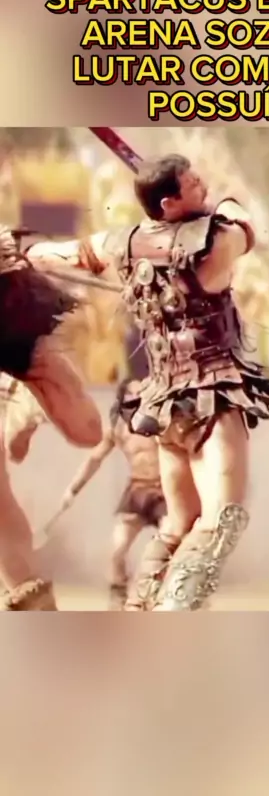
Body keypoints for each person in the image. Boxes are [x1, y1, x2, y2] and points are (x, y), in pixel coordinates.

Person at [26, 154, 269, 611]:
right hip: (211, 398)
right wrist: (224, 204)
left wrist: (26, 250)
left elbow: (56, 255)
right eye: (193, 184)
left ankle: (138, 608)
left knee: (179, 523)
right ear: (169, 202)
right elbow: (244, 227)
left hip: (164, 407)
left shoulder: (120, 244)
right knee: (220, 522)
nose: (203, 185)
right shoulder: (215, 243)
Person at [0, 225, 103, 610]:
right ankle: (30, 598)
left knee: (87, 430)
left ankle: (27, 404)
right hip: (13, 293)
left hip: (12, 297)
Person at [57, 379, 165, 610]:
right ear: (123, 399)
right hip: (138, 490)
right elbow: (94, 459)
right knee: (117, 549)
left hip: (166, 492)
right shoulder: (118, 428)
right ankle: (118, 596)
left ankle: (163, 596)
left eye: (142, 394)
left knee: (166, 548)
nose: (138, 400)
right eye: (132, 395)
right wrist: (73, 489)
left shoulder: (163, 421)